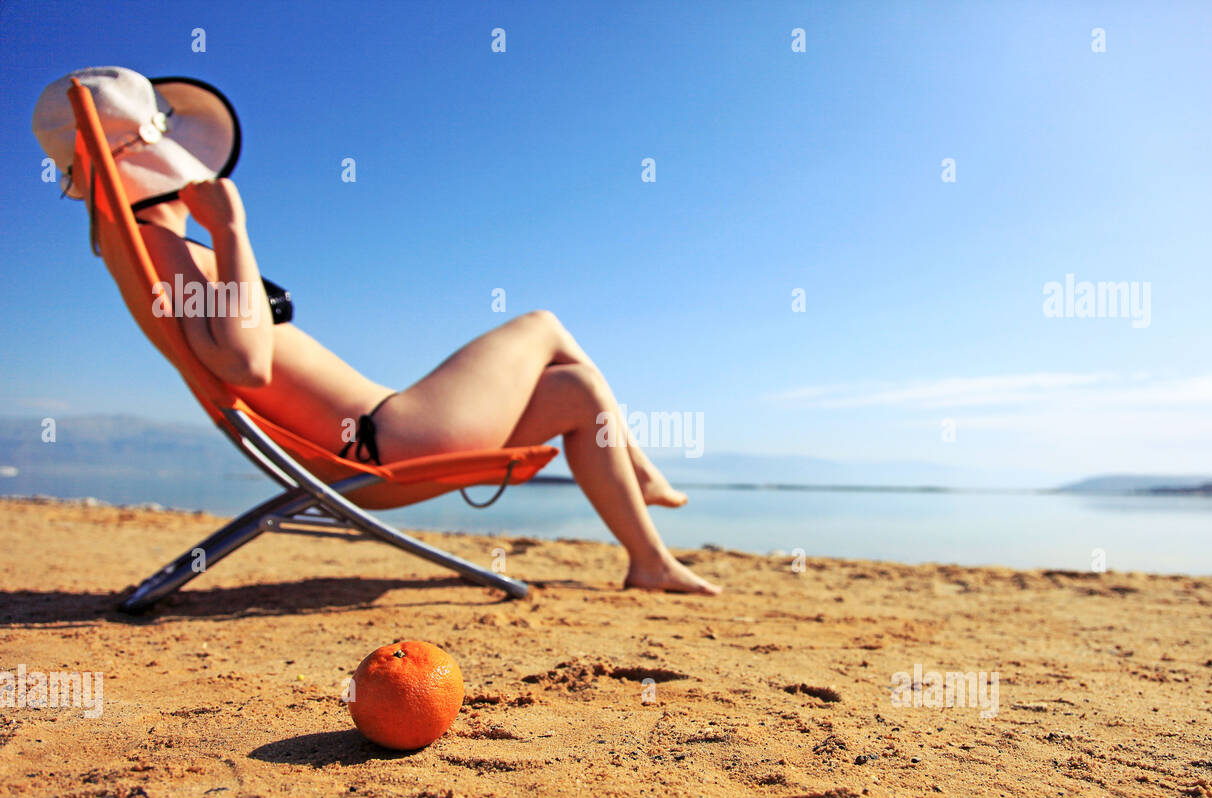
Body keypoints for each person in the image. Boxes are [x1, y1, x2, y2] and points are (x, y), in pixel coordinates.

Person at [34, 66, 719, 595]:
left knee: (576, 390)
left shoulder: (144, 252)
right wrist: (233, 228)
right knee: (542, 325)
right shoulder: (168, 250)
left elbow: (232, 350)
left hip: (383, 436)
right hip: (384, 441)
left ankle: (649, 560)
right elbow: (245, 361)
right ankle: (645, 477)